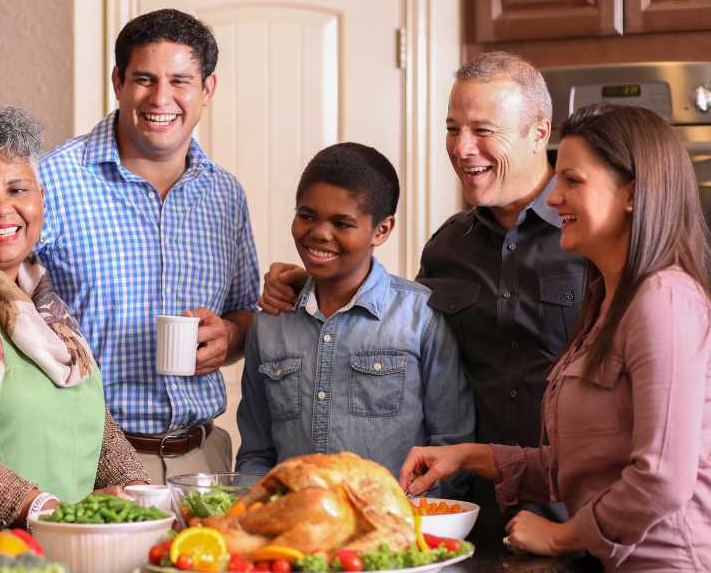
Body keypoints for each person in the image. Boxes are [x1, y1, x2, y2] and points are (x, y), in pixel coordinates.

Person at [260, 52, 584, 539]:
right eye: (453, 129)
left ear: (540, 132)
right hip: (474, 514)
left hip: (580, 510)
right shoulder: (448, 246)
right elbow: (388, 324)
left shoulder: (592, 235)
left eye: (483, 130)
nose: (462, 148)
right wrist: (315, 283)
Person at [399, 103, 711, 571]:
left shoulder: (663, 299)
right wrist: (466, 456)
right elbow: (586, 462)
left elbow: (662, 478)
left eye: (572, 181)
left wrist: (563, 536)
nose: (554, 197)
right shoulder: (606, 299)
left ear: (631, 193)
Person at [36, 8, 260, 481]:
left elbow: (244, 311)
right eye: (144, 78)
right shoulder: (49, 182)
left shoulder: (225, 194)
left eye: (180, 80)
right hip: (84, 459)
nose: (162, 98)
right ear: (117, 81)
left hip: (204, 459)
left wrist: (230, 337)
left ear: (207, 90)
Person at [0, 104, 148, 529]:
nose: (1, 208)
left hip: (71, 544)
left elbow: (87, 417)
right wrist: (47, 510)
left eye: (17, 189)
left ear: (41, 200)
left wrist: (135, 491)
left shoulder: (42, 297)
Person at [234, 143, 475, 487]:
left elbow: (450, 450)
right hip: (296, 534)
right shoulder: (271, 322)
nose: (319, 233)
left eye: (342, 223)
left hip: (397, 532)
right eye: (306, 215)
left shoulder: (420, 318)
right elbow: (257, 454)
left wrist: (408, 522)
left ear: (382, 230)